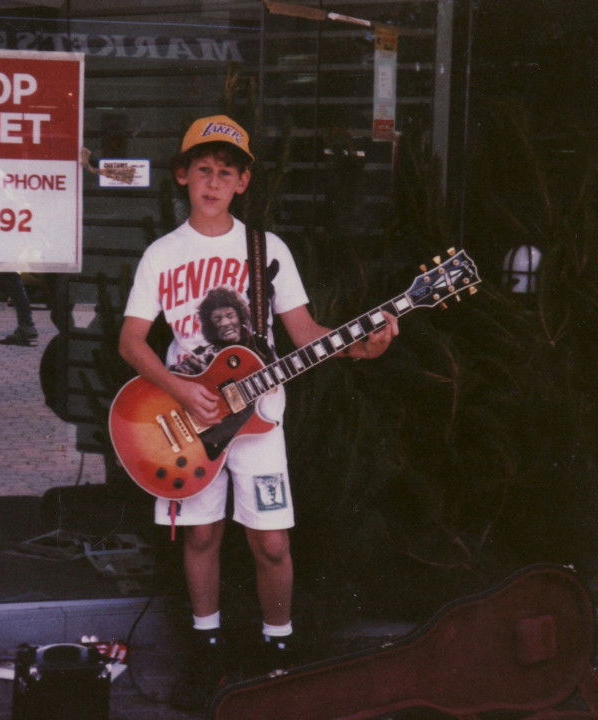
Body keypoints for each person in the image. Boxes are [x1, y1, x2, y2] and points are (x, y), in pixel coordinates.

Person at [117, 116, 397, 708]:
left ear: (244, 182)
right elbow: (132, 341)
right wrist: (178, 386)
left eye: (226, 172)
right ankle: (207, 656)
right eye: (202, 171)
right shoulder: (163, 255)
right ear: (182, 176)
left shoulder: (266, 250)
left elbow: (306, 332)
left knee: (271, 543)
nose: (213, 183)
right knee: (201, 536)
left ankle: (278, 656)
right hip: (186, 420)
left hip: (260, 418)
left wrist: (362, 346)